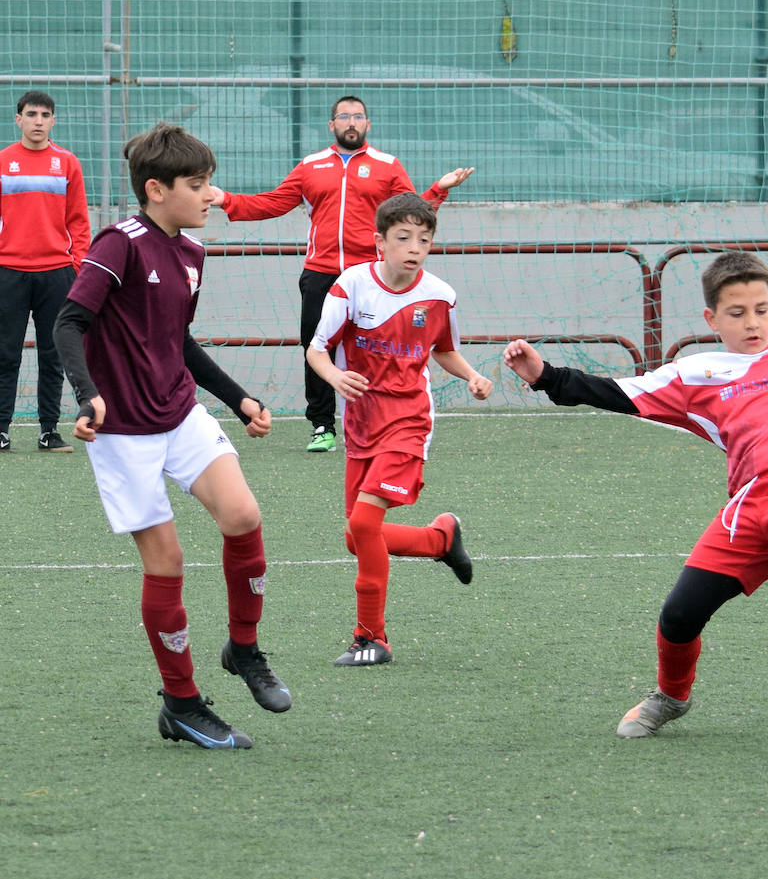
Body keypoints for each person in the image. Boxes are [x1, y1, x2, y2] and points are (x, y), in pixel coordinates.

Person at [503, 251, 768, 755]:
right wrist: (544, 375)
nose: (753, 322)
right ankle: (672, 697)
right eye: (737, 314)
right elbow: (616, 392)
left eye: (762, 309)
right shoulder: (695, 374)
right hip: (753, 503)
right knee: (679, 614)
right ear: (711, 320)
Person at [51, 123, 291, 750]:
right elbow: (70, 322)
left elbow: (177, 341)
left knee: (243, 516)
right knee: (169, 563)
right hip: (124, 430)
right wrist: (86, 395)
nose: (211, 195)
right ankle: (181, 704)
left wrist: (238, 398)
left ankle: (243, 648)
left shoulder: (191, 252)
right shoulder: (119, 243)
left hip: (178, 412)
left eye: (209, 182)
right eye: (198, 184)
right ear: (155, 190)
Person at [209, 94, 474, 453]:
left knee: (369, 349)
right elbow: (274, 202)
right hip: (319, 273)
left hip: (369, 276)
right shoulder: (310, 165)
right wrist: (225, 199)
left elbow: (410, 212)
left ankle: (372, 420)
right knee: (317, 347)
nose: (352, 122)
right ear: (332, 125)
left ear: (368, 124)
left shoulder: (387, 165)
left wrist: (438, 191)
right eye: (344, 116)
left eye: (358, 116)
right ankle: (322, 426)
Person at [306, 191, 493, 666]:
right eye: (404, 237)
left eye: (424, 240)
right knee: (355, 536)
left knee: (366, 524)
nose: (414, 247)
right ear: (380, 243)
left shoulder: (439, 295)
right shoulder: (351, 286)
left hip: (409, 421)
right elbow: (317, 349)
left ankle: (371, 638)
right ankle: (440, 541)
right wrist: (334, 377)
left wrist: (471, 375)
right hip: (360, 422)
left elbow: (443, 350)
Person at [0, 90, 91, 453]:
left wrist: (77, 267)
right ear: (18, 119)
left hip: (57, 274)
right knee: (5, 354)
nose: (38, 121)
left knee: (53, 354)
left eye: (45, 115)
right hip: (9, 272)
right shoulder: (3, 161)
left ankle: (49, 431)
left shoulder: (67, 163)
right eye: (31, 114)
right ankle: (2, 429)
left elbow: (79, 221)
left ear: (53, 121)